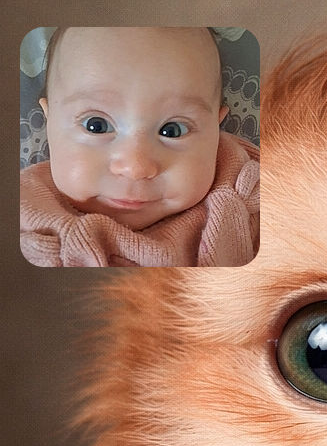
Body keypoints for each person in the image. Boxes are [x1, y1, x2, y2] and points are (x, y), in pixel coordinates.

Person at [20, 27, 259, 267]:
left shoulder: (241, 189)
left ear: (216, 128)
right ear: (49, 121)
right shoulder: (27, 212)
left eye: (172, 130)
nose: (136, 168)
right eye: (96, 126)